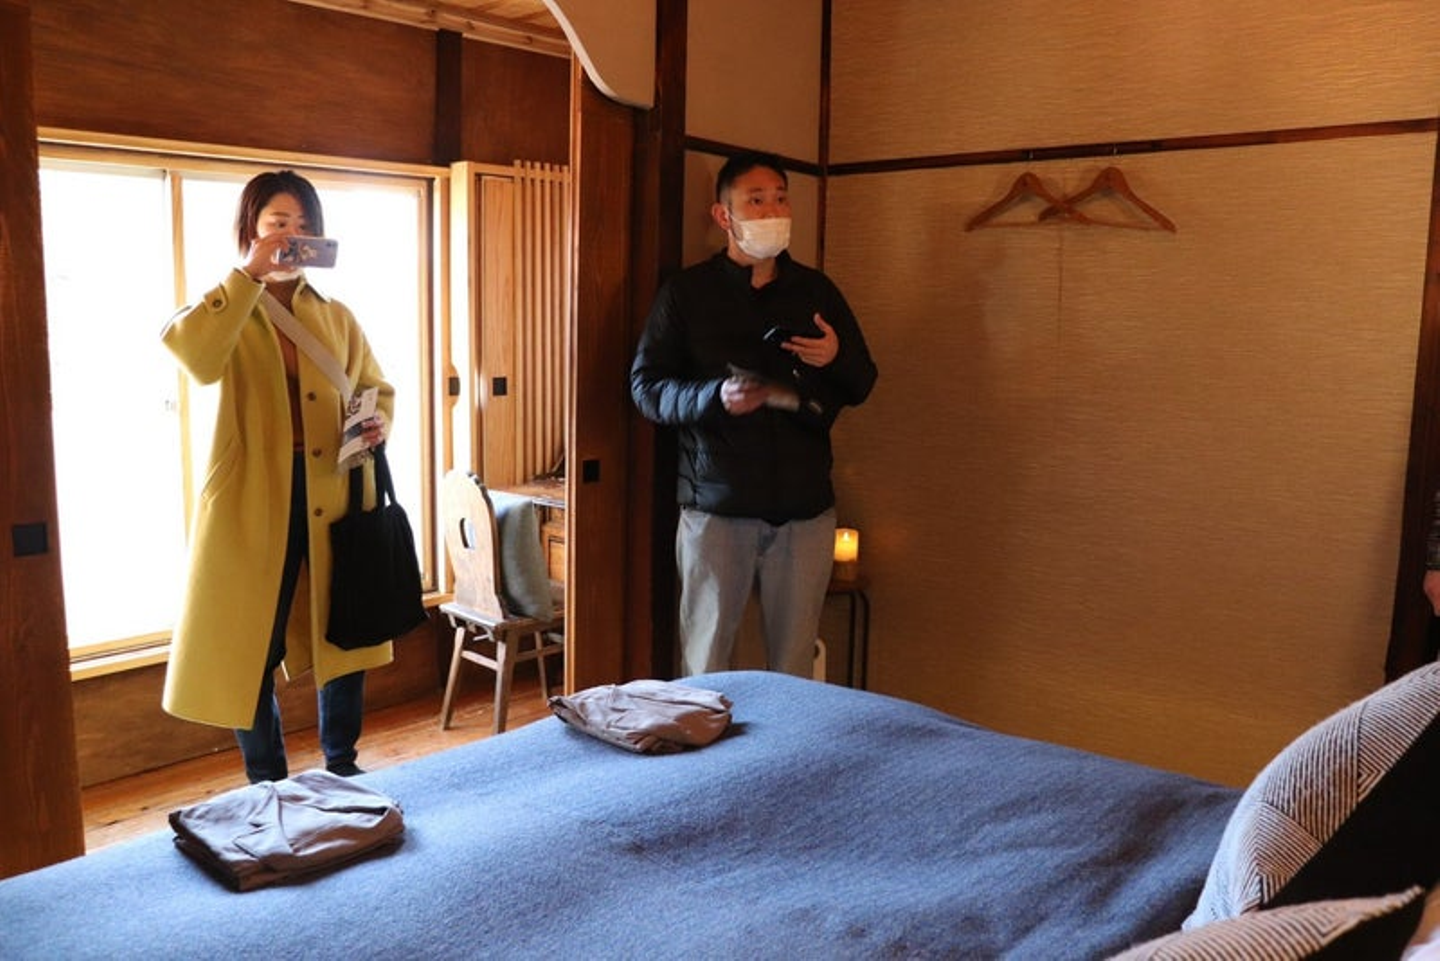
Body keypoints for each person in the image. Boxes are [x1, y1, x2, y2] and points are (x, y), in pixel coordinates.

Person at [161, 170, 395, 783]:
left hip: (336, 491)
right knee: (250, 644)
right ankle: (266, 781)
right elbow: (194, 357)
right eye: (278, 224)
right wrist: (247, 276)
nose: (293, 236)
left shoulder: (336, 315)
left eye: (303, 225)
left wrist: (377, 424)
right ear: (251, 230)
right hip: (252, 500)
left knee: (346, 630)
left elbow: (375, 386)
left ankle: (343, 768)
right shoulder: (226, 308)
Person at [630, 150, 878, 678]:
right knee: (706, 664)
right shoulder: (686, 293)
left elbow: (862, 382)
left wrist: (836, 357)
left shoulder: (815, 291)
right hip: (717, 507)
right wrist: (713, 397)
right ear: (724, 215)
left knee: (793, 667)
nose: (773, 211)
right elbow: (646, 389)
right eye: (757, 200)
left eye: (781, 199)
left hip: (805, 510)